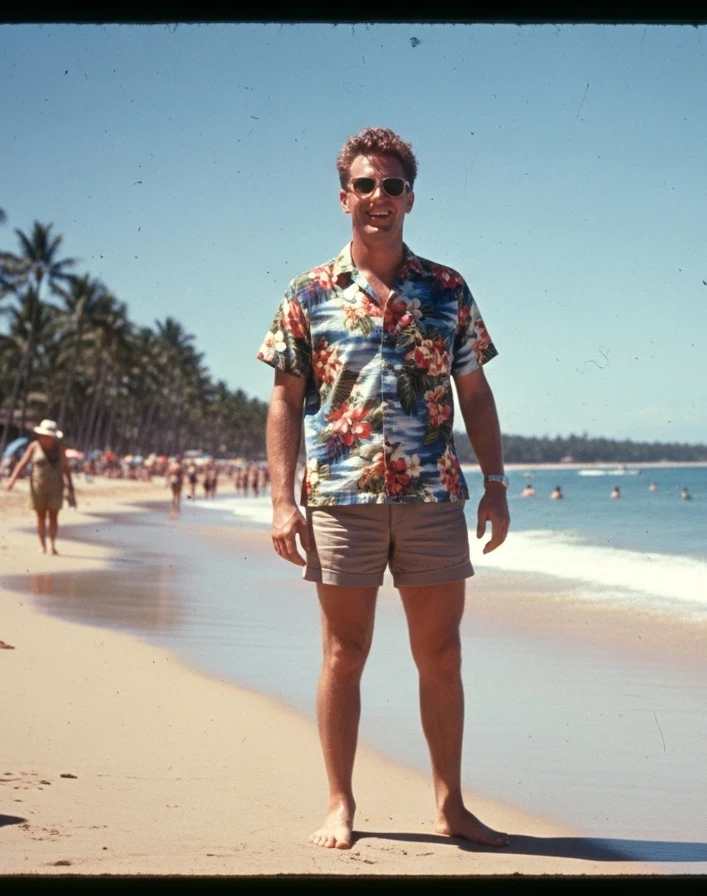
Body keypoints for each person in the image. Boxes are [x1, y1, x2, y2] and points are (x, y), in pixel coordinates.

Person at [258, 127, 509, 850]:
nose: (378, 198)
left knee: (443, 656)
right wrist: (282, 499)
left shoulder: (447, 289)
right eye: (365, 186)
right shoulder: (307, 292)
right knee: (344, 652)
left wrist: (495, 483)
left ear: (410, 198)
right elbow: (284, 400)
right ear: (345, 199)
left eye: (391, 186)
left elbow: (477, 395)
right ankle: (339, 803)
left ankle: (450, 807)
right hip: (341, 495)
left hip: (433, 495)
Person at [5, 419, 75, 554]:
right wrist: (12, 480)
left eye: (48, 436)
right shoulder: (34, 446)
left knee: (53, 517)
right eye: (43, 435)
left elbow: (66, 468)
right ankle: (42, 545)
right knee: (40, 516)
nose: (45, 438)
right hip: (38, 487)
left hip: (56, 487)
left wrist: (70, 486)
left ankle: (52, 545)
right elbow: (22, 463)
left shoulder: (60, 449)